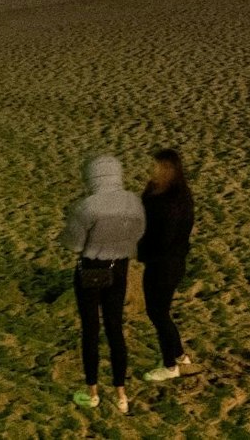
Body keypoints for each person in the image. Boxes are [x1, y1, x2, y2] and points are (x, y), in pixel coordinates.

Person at [58, 153, 146, 414]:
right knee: (115, 329)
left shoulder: (86, 206)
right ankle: (121, 394)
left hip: (91, 270)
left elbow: (73, 244)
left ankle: (92, 392)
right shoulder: (133, 202)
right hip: (119, 268)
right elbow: (139, 234)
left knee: (90, 331)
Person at [138, 147, 195, 383]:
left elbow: (163, 237)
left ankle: (170, 366)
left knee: (158, 313)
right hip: (166, 260)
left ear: (169, 170)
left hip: (164, 263)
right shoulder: (159, 192)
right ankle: (180, 356)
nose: (151, 170)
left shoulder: (173, 201)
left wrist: (140, 250)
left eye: (157, 166)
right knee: (161, 311)